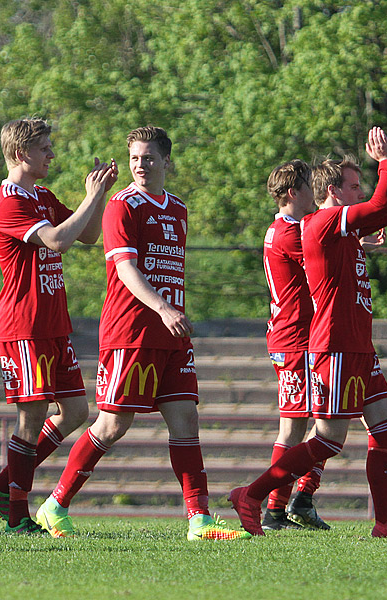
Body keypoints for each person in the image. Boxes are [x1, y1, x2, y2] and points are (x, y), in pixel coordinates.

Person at [34, 126, 250, 541]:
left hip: (171, 334)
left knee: (186, 418)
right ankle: (54, 504)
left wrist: (172, 313)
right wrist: (164, 307)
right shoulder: (122, 206)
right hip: (131, 332)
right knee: (113, 424)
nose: (140, 165)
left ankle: (199, 520)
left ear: (166, 161)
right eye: (134, 158)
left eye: (148, 158)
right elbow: (125, 269)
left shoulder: (177, 209)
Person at [230, 125, 387, 538]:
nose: (360, 193)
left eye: (362, 185)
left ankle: (386, 521)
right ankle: (252, 495)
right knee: (327, 440)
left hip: (359, 346)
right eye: (353, 186)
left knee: (384, 427)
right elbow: (382, 207)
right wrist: (386, 162)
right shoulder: (324, 222)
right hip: (334, 346)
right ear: (333, 192)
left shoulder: (343, 232)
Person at [0, 117, 118, 534]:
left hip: (54, 323)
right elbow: (58, 240)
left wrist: (99, 197)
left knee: (75, 411)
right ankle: (18, 515)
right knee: (32, 417)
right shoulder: (7, 201)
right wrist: (89, 197)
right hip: (25, 325)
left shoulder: (41, 195)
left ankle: (4, 486)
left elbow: (88, 236)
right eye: (45, 148)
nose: (52, 154)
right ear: (22, 154)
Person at [261, 160, 385, 531]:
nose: (314, 197)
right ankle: (273, 506)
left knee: (326, 422)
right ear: (292, 193)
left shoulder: (293, 228)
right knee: (299, 427)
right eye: (306, 187)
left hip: (303, 335)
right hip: (297, 337)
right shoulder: (290, 232)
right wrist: (356, 240)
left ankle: (300, 498)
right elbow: (325, 256)